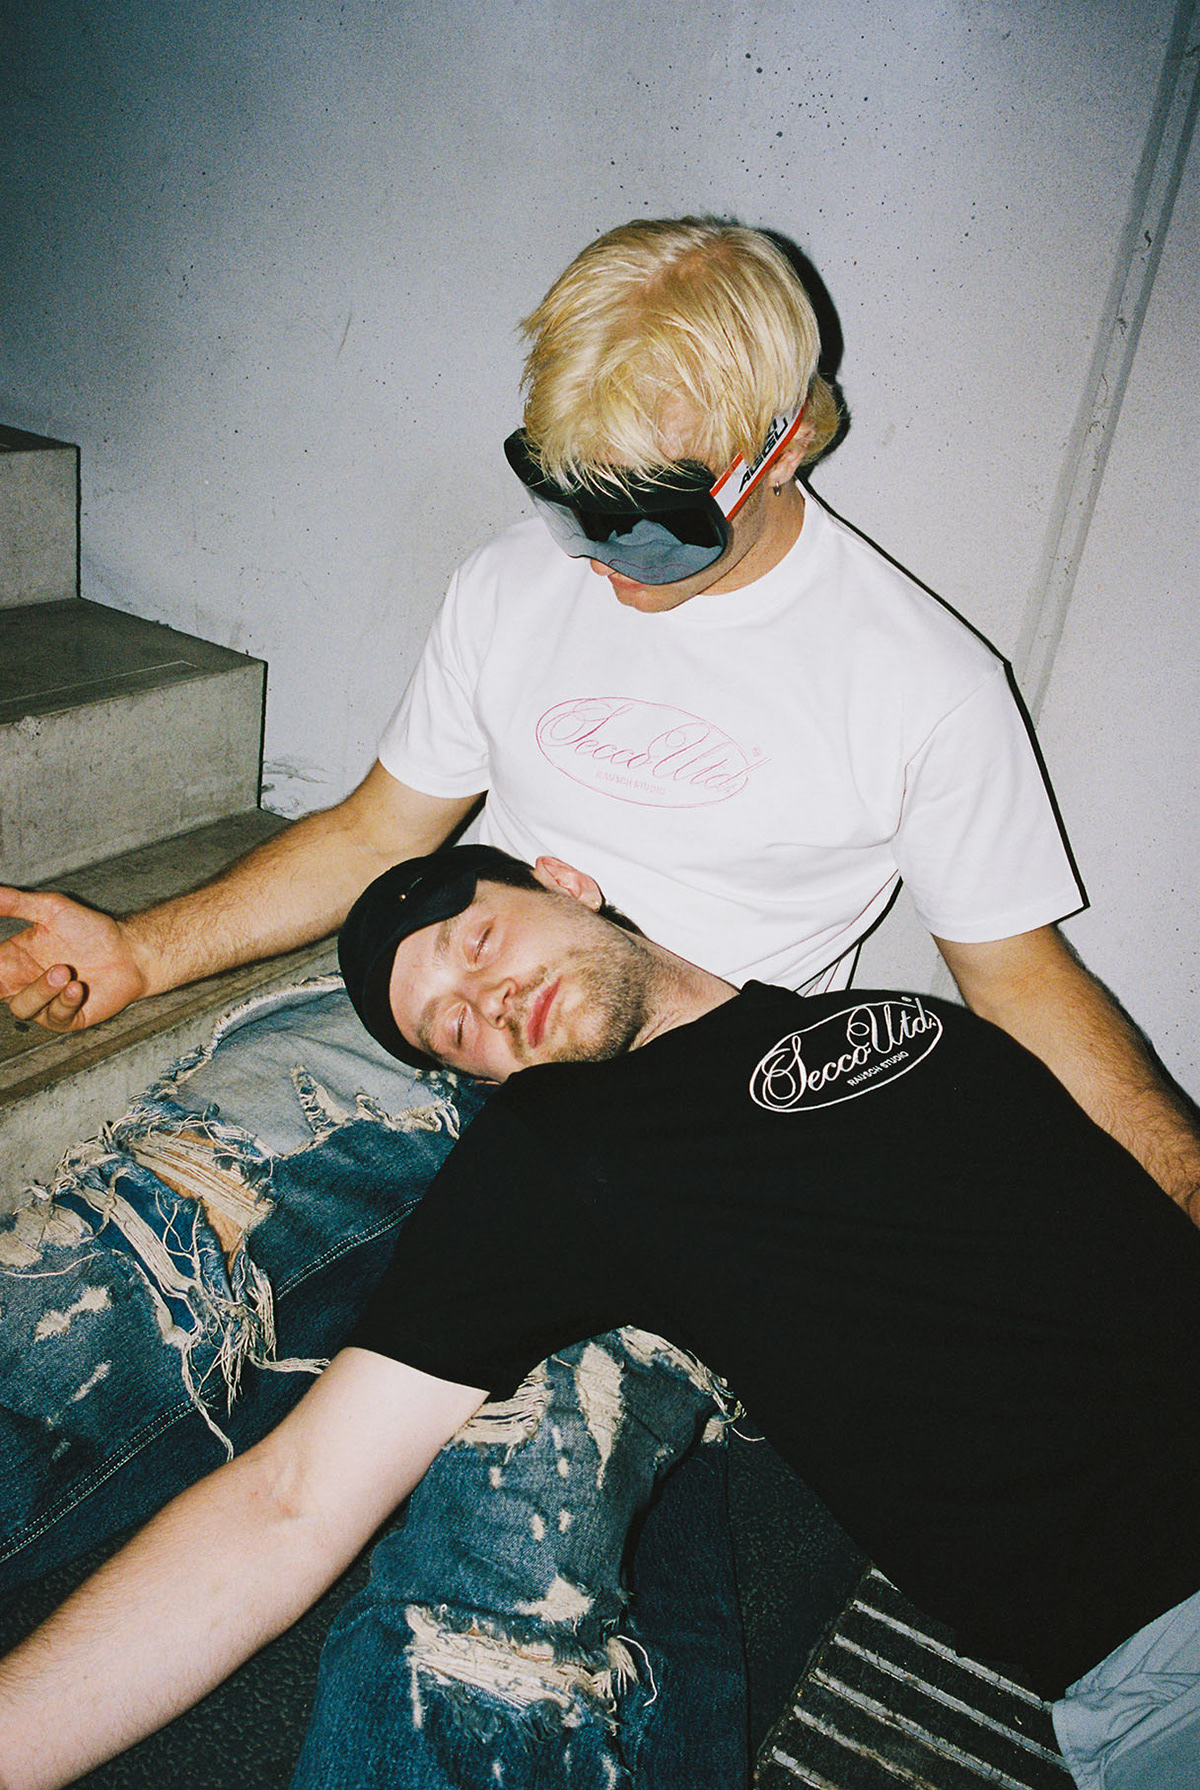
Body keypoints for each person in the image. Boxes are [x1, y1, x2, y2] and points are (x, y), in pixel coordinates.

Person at [1, 218, 1197, 1782]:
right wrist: (144, 954)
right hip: (438, 1011)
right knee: (100, 1269)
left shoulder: (921, 681)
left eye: (656, 524)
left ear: (787, 439)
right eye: (568, 503)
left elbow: (1028, 987)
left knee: (517, 1528)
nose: (606, 564)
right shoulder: (512, 587)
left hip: (680, 1108)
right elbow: (377, 832)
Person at [1, 843, 1197, 1790]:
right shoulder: (558, 1154)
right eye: (455, 1028)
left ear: (567, 880)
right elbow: (291, 1498)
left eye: (476, 940)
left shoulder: (909, 1016)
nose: (487, 997)